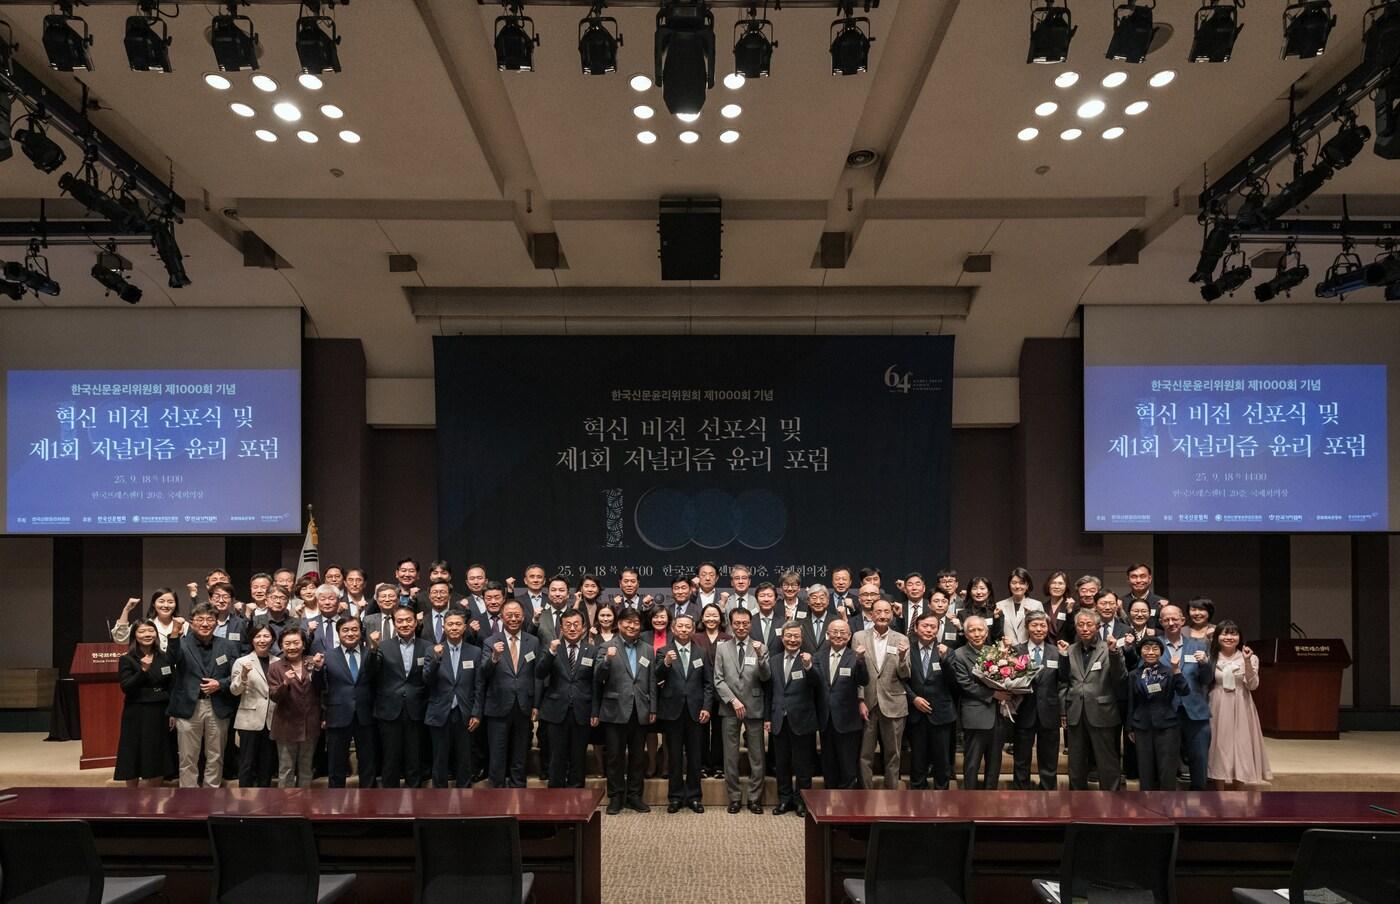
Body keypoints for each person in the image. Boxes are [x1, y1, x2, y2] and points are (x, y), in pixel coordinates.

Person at [167, 603, 238, 788]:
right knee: (188, 756)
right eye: (200, 619)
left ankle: (211, 792)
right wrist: (174, 633)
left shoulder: (227, 645)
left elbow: (237, 676)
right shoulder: (180, 644)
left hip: (218, 705)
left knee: (216, 755)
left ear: (216, 622)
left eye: (210, 619)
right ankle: (189, 797)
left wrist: (220, 684)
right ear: (191, 623)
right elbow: (170, 660)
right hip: (189, 706)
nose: (205, 624)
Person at [595, 607, 655, 814]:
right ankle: (616, 797)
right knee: (614, 757)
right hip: (615, 710)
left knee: (638, 757)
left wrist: (653, 707)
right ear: (619, 624)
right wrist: (606, 661)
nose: (632, 626)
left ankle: (634, 796)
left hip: (640, 710)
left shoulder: (647, 649)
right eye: (627, 622)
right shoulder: (606, 646)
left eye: (636, 622)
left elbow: (652, 681)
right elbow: (598, 677)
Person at [713, 607, 771, 814]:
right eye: (736, 623)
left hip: (754, 706)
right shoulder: (722, 648)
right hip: (730, 708)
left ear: (751, 624)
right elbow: (717, 679)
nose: (741, 627)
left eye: (745, 623)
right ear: (730, 623)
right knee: (730, 755)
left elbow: (766, 677)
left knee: (757, 755)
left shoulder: (760, 646)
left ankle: (755, 798)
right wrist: (733, 701)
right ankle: (735, 797)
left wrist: (761, 657)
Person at [368, 605, 433, 788]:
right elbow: (371, 673)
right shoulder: (382, 645)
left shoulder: (427, 646)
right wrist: (372, 649)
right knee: (390, 758)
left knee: (415, 757)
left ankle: (415, 800)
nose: (404, 624)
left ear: (415, 622)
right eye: (400, 621)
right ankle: (390, 804)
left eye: (408, 620)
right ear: (394, 624)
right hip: (389, 710)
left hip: (416, 709)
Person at [654, 612, 713, 812]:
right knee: (675, 756)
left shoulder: (701, 652)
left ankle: (695, 796)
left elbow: (708, 683)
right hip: (672, 711)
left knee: (695, 756)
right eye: (680, 626)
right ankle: (676, 797)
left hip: (696, 711)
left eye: (688, 627)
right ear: (673, 629)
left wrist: (706, 707)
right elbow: (656, 676)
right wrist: (667, 663)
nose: (684, 630)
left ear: (693, 629)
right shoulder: (664, 651)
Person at [1062, 608, 1126, 791]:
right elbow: (1065, 681)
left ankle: (1111, 801)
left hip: (1102, 711)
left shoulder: (1108, 648)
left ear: (1098, 627)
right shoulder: (1070, 650)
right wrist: (1063, 709)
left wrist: (1115, 653)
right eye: (1080, 624)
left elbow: (1120, 678)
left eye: (1089, 624)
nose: (1084, 628)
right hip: (1076, 712)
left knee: (1107, 761)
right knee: (1076, 763)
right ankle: (1077, 802)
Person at [481, 596, 540, 789]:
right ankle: (496, 792)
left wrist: (536, 704)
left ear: (523, 617)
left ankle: (518, 790)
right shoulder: (491, 642)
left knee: (520, 753)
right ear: (502, 617)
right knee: (497, 754)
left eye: (517, 615)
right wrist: (494, 658)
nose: (513, 618)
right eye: (509, 615)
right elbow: (484, 673)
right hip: (498, 706)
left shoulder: (533, 641)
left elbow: (537, 676)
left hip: (523, 706)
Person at [854, 596, 911, 789]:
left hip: (894, 703)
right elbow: (857, 673)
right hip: (868, 703)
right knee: (865, 753)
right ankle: (866, 795)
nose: (883, 615)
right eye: (878, 612)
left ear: (893, 615)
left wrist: (903, 658)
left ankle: (892, 794)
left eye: (887, 612)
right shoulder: (859, 637)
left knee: (893, 753)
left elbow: (905, 674)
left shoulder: (901, 639)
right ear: (870, 615)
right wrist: (860, 699)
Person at [423, 611, 484, 789]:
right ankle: (439, 799)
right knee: (440, 758)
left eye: (458, 624)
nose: (454, 627)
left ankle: (465, 796)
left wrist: (477, 713)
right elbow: (426, 679)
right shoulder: (432, 650)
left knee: (465, 759)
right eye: (450, 624)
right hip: (440, 712)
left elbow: (479, 685)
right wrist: (436, 658)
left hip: (465, 713)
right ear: (444, 627)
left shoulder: (475, 652)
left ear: (464, 628)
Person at [1207, 621, 1272, 788]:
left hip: (1241, 703)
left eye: (1233, 634)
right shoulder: (1210, 657)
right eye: (1225, 633)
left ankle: (1239, 788)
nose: (1229, 637)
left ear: (1240, 637)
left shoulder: (1250, 657)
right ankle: (1219, 789)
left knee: (1242, 744)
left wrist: (1247, 661)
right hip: (1218, 703)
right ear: (1217, 637)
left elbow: (1252, 685)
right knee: (1219, 744)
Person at [536, 610, 596, 789]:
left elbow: (595, 683)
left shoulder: (591, 650)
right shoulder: (553, 648)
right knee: (556, 756)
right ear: (561, 628)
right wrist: (551, 653)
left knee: (578, 756)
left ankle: (576, 794)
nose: (572, 628)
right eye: (567, 625)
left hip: (581, 710)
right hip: (555, 711)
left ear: (583, 628)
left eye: (576, 624)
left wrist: (595, 710)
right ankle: (555, 795)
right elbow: (539, 673)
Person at [1158, 604, 1214, 790]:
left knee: (1199, 758)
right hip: (1166, 711)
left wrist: (1206, 664)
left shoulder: (1198, 645)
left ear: (1183, 621)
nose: (1171, 623)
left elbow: (1207, 679)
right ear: (1160, 622)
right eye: (1166, 619)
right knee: (1167, 760)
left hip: (1195, 711)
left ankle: (1200, 800)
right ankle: (1166, 802)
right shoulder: (1154, 646)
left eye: (1175, 619)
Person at [114, 620, 176, 786]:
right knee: (132, 751)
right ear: (135, 635)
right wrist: (142, 671)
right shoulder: (127, 659)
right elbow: (126, 687)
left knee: (156, 752)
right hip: (136, 711)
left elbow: (171, 685)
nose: (147, 635)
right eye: (142, 632)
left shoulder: (164, 657)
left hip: (160, 711)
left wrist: (172, 711)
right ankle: (132, 797)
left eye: (151, 631)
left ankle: (154, 795)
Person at [950, 614, 1007, 790]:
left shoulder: (995, 652)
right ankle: (970, 800)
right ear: (965, 634)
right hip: (975, 715)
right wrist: (993, 694)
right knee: (972, 763)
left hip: (998, 716)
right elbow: (966, 684)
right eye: (971, 630)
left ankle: (991, 800)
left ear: (986, 631)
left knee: (995, 763)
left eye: (980, 629)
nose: (976, 634)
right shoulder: (959, 655)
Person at [1127, 635, 1189, 791]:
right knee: (1145, 767)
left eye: (1155, 649)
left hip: (1167, 725)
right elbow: (1131, 701)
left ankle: (1167, 805)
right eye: (1146, 648)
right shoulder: (1134, 674)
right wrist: (1129, 727)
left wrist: (1177, 671)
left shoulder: (1169, 671)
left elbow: (1184, 690)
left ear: (1161, 652)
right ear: (1140, 652)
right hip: (1142, 725)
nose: (1151, 652)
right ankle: (1147, 805)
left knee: (1166, 768)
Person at [322, 617, 378, 789]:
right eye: (345, 630)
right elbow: (321, 687)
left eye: (354, 629)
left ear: (361, 632)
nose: (350, 633)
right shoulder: (328, 656)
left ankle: (369, 801)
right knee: (336, 762)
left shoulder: (371, 652)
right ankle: (336, 802)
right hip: (337, 715)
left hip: (365, 713)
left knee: (368, 761)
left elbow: (378, 681)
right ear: (338, 633)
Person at [768, 622, 818, 816]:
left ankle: (801, 802)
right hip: (779, 718)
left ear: (801, 638)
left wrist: (809, 667)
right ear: (782, 638)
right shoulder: (774, 660)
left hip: (803, 720)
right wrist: (767, 717)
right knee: (781, 763)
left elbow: (817, 683)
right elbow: (769, 693)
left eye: (796, 636)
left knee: (803, 764)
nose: (792, 640)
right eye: (788, 636)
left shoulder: (809, 659)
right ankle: (785, 799)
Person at [814, 618, 868, 790]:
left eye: (843, 632)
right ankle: (829, 803)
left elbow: (864, 680)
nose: (838, 635)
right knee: (828, 765)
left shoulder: (855, 656)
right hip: (826, 719)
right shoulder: (818, 657)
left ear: (849, 635)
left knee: (848, 766)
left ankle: (847, 806)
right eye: (834, 632)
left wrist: (861, 661)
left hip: (848, 721)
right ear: (827, 635)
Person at [905, 610, 956, 791]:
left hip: (941, 714)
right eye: (925, 626)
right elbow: (900, 680)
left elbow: (954, 681)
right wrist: (914, 698)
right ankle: (917, 799)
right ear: (917, 628)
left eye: (933, 627)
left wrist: (945, 660)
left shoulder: (946, 650)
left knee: (942, 762)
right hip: (916, 714)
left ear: (938, 629)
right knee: (918, 760)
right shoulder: (907, 649)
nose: (929, 630)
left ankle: (942, 801)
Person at [1012, 611, 1063, 791]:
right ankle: (1020, 793)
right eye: (1034, 625)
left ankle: (1048, 793)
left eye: (1042, 625)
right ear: (1027, 627)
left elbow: (1063, 682)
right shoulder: (1016, 650)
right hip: (1023, 711)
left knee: (1049, 759)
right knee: (1021, 759)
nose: (1039, 629)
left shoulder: (1057, 652)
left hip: (1049, 712)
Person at [267, 628, 323, 789]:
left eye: (296, 642)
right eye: (287, 644)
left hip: (309, 724)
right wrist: (284, 684)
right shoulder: (275, 667)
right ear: (281, 647)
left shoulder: (312, 662)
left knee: (306, 769)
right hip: (286, 725)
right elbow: (274, 696)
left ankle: (303, 806)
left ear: (303, 645)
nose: (292, 647)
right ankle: (285, 809)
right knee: (286, 769)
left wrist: (319, 669)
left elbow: (322, 689)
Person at [230, 624, 278, 787]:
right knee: (247, 764)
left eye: (266, 636)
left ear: (272, 639)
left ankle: (264, 803)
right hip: (249, 719)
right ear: (252, 639)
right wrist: (243, 675)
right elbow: (235, 691)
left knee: (267, 764)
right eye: (258, 636)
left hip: (272, 719)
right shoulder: (241, 661)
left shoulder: (278, 661)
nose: (262, 640)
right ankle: (245, 803)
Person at [693, 603, 730, 778]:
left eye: (715, 615)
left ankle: (718, 766)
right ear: (702, 618)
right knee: (700, 731)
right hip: (700, 692)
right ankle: (701, 765)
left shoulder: (728, 638)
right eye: (707, 615)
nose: (711, 619)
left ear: (720, 618)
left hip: (723, 693)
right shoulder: (695, 638)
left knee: (719, 731)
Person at [111, 589, 183, 650]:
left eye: (170, 602)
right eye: (161, 601)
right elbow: (121, 639)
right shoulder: (145, 625)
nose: (166, 605)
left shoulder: (184, 625)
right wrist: (126, 610)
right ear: (154, 604)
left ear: (175, 604)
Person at [996, 567, 1044, 645]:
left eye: (1021, 583)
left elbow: (1041, 631)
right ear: (1009, 585)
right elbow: (996, 632)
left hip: (1029, 651)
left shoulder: (1036, 605)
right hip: (1007, 651)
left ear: (1027, 586)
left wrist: (1029, 617)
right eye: (1014, 583)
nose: (1017, 586)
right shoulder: (1000, 605)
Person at [536, 575, 584, 647]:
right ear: (548, 594)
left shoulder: (577, 616)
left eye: (561, 590)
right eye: (553, 590)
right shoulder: (539, 616)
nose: (557, 594)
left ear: (568, 594)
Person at [800, 584, 838, 655]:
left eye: (822, 598)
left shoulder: (836, 622)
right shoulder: (801, 623)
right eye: (814, 598)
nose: (818, 602)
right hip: (806, 664)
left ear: (828, 601)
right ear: (808, 601)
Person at [751, 583, 785, 652]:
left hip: (776, 662)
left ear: (775, 600)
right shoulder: (749, 621)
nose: (766, 599)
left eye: (770, 596)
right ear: (757, 600)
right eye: (762, 596)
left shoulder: (783, 622)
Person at [1041, 571, 1073, 641]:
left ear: (1066, 587)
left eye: (1060, 583)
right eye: (1053, 583)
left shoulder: (1072, 606)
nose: (1056, 587)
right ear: (1048, 585)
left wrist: (1070, 612)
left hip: (1065, 648)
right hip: (1046, 649)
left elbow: (1073, 633)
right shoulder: (1041, 607)